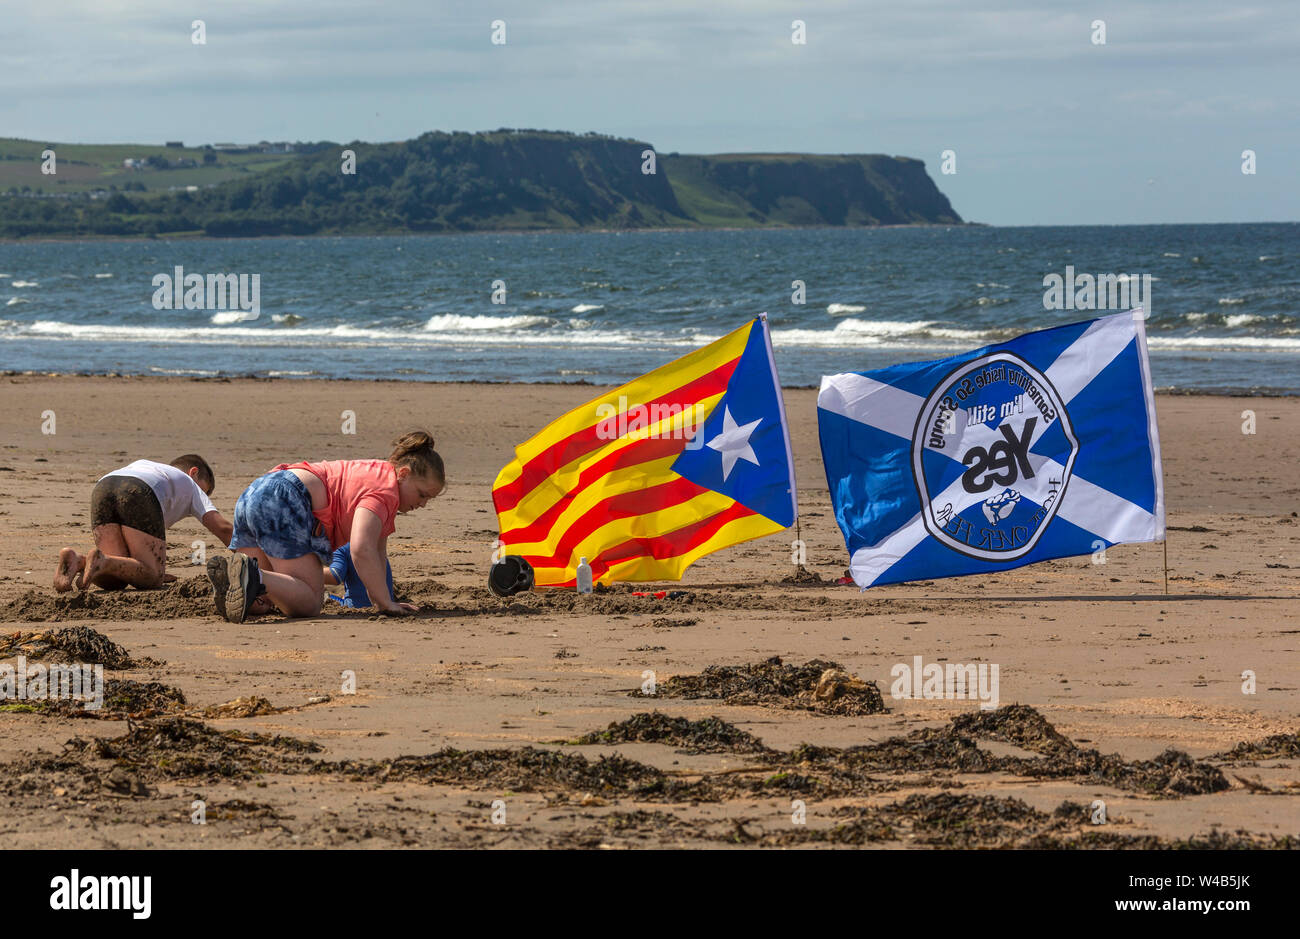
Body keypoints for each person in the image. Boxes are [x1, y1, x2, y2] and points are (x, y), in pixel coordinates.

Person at [208, 430, 444, 623]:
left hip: (256, 491)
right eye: (421, 494)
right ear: (403, 474)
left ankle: (241, 576)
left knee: (264, 600)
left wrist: (385, 597)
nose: (422, 504)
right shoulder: (385, 491)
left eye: (429, 500)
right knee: (309, 602)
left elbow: (378, 551)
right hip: (285, 498)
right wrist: (385, 603)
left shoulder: (377, 473)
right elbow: (362, 549)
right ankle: (251, 573)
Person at [54, 455, 234, 592]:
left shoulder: (153, 469)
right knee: (152, 578)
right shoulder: (190, 484)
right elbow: (223, 528)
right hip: (139, 490)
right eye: (206, 490)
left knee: (114, 580)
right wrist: (255, 561)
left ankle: (79, 561)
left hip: (104, 485)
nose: (205, 496)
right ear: (193, 472)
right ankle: (99, 560)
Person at [323, 544, 395, 608]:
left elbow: (335, 576)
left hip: (357, 605)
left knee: (324, 595)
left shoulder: (340, 546)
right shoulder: (372, 544)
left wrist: (313, 573)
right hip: (386, 602)